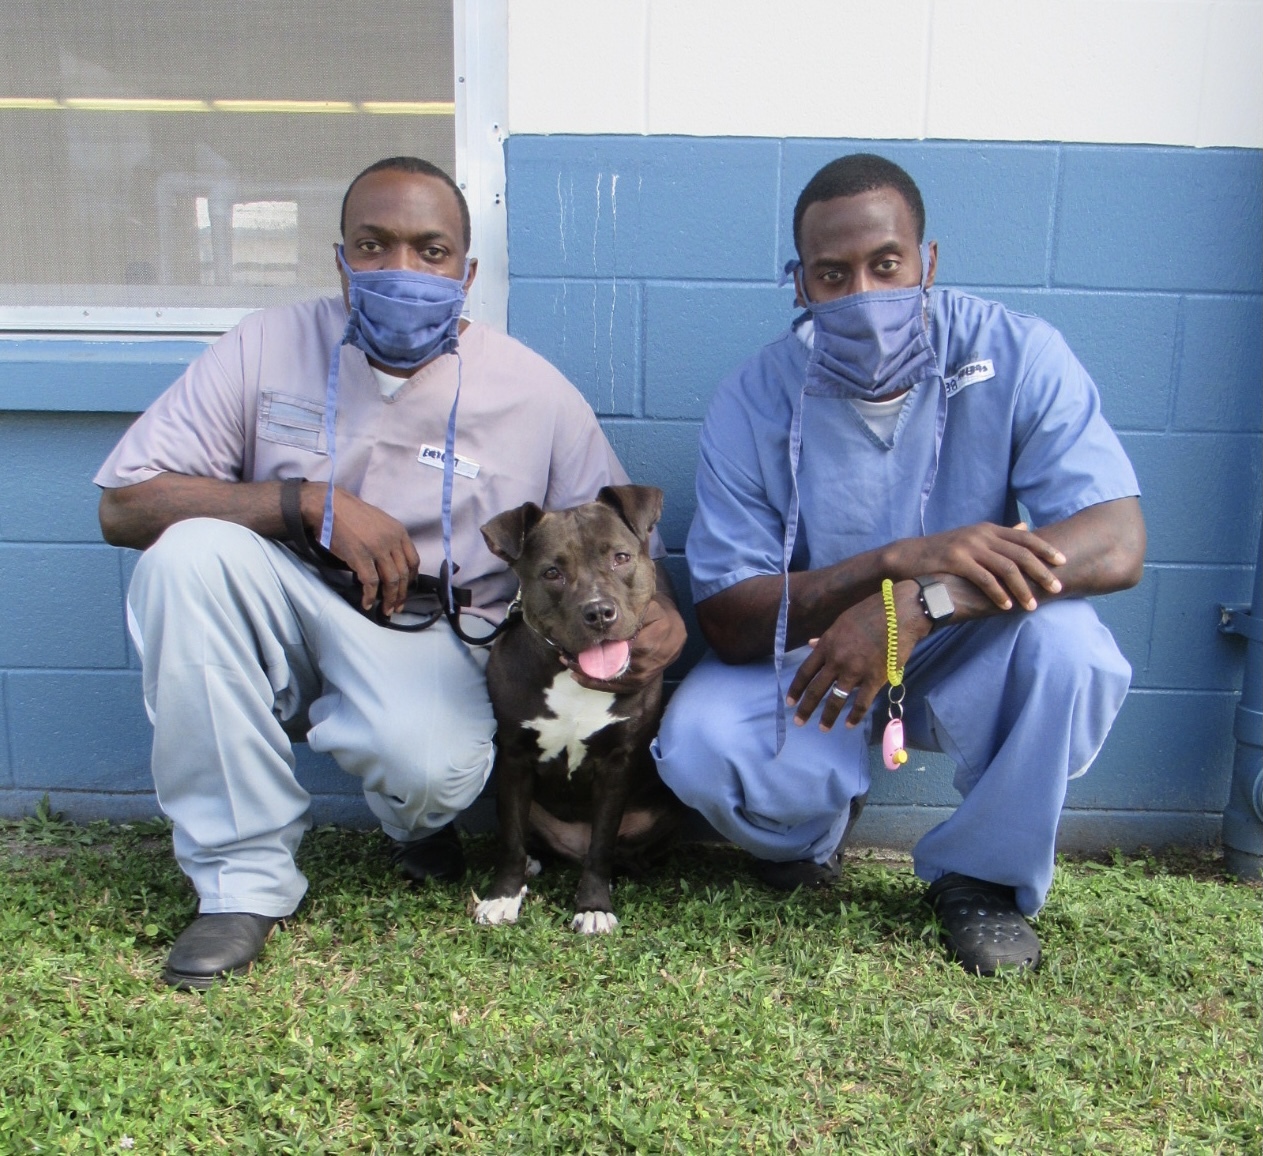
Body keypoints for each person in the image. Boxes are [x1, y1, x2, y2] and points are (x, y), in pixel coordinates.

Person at [96, 157, 686, 989]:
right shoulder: (263, 345)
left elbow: (609, 544)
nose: (401, 271)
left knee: (435, 770)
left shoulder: (534, 392)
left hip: (429, 629)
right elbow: (124, 508)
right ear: (340, 259)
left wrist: (660, 614)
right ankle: (238, 884)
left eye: (430, 250)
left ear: (467, 273)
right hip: (287, 597)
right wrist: (305, 503)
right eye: (372, 246)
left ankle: (414, 820)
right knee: (186, 556)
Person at [652, 154, 1144, 976]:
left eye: (886, 265)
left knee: (1074, 651)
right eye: (831, 273)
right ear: (799, 284)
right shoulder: (753, 395)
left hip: (965, 633)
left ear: (929, 262)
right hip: (825, 655)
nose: (862, 295)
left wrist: (919, 602)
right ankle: (809, 829)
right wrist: (888, 564)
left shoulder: (1016, 351)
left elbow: (1116, 541)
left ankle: (979, 880)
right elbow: (730, 621)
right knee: (699, 746)